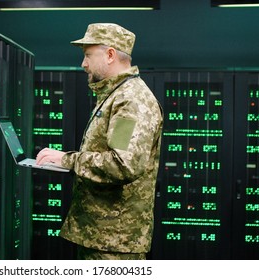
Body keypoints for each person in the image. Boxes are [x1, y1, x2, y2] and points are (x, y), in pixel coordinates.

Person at [36, 23, 163, 260]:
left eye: (87, 55)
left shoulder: (130, 101)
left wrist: (66, 160)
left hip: (113, 243)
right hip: (103, 237)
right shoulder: (118, 96)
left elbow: (122, 164)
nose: (83, 64)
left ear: (110, 55)